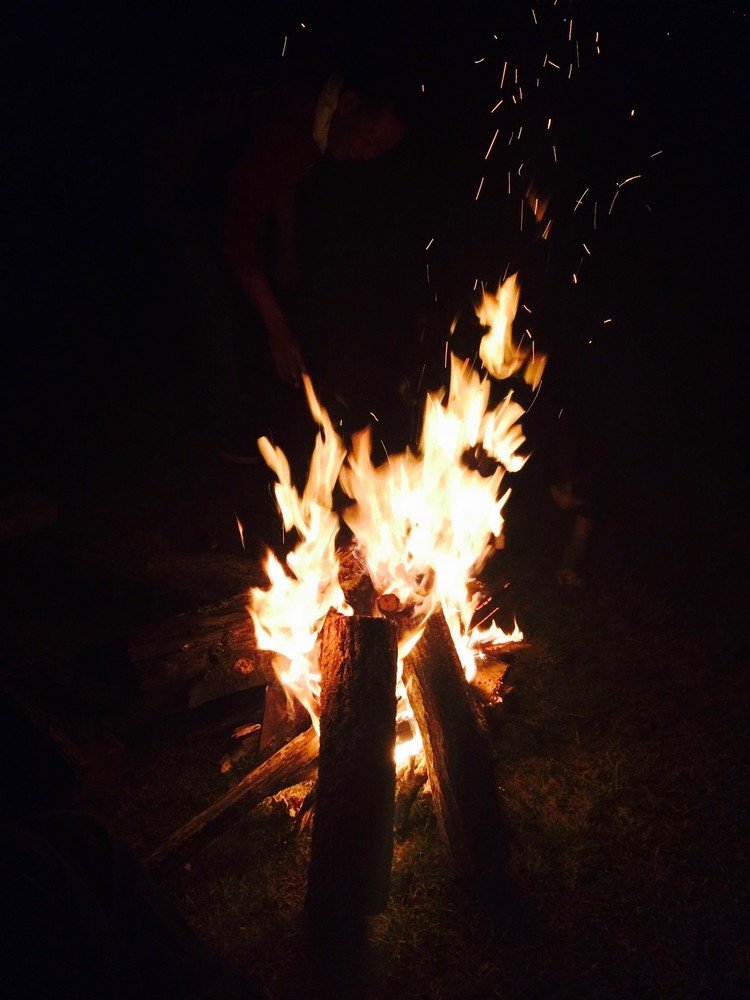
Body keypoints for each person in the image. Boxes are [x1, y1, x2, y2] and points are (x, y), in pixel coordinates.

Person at [155, 65, 410, 463]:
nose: (369, 154)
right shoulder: (294, 124)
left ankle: (252, 402)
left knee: (254, 293)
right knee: (218, 306)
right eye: (371, 139)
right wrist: (277, 328)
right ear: (350, 105)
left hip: (217, 195)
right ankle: (222, 433)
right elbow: (237, 230)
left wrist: (285, 244)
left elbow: (283, 179)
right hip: (178, 182)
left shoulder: (314, 125)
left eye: (380, 150)